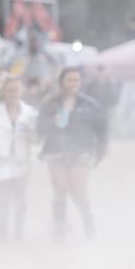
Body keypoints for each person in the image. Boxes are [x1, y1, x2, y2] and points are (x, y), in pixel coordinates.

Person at [38, 67, 107, 240]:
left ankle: (87, 223)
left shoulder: (90, 105)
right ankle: (59, 229)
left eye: (76, 80)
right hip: (56, 150)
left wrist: (99, 153)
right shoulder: (50, 104)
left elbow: (102, 131)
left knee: (78, 190)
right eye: (70, 80)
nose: (74, 84)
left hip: (81, 150)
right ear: (62, 82)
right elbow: (39, 128)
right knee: (60, 189)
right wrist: (52, 122)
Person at [0, 74, 38, 240]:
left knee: (20, 195)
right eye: (10, 90)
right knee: (3, 195)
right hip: (0, 159)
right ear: (4, 92)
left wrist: (32, 134)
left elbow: (37, 137)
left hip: (22, 159)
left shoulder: (30, 113)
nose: (13, 93)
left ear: (21, 91)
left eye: (16, 90)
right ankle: (3, 232)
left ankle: (18, 232)